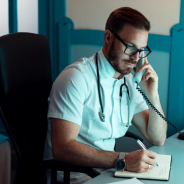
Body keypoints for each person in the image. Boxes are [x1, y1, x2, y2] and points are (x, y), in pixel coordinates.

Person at [44, 7, 167, 183]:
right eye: (131, 47)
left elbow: (157, 138)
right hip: (75, 177)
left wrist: (153, 95)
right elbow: (62, 148)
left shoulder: (129, 82)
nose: (136, 58)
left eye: (142, 50)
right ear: (108, 37)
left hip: (110, 173)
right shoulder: (76, 78)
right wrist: (122, 160)